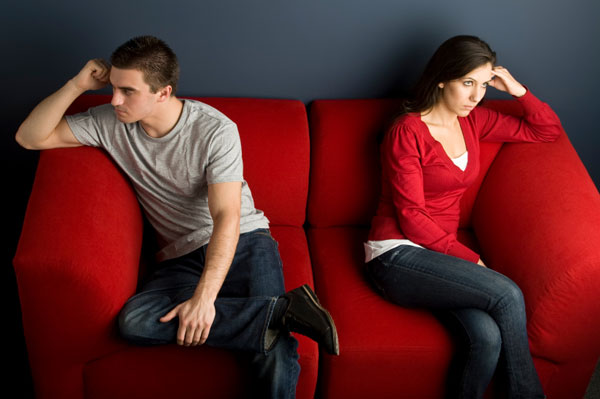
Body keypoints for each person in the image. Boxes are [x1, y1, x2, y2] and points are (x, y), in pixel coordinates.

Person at [15, 35, 338, 399]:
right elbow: (29, 137)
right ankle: (282, 312)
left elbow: (227, 216)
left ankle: (272, 319)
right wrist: (77, 84)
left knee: (273, 351)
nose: (114, 99)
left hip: (244, 242)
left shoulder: (215, 130)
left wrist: (204, 300)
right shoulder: (111, 122)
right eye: (113, 87)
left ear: (163, 93)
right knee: (135, 320)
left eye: (127, 91)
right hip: (179, 259)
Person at [365, 35, 562, 399]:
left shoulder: (474, 122)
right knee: (507, 294)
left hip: (438, 257)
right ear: (442, 78)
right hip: (396, 254)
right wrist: (471, 260)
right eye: (467, 83)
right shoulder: (407, 131)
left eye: (484, 85)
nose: (476, 96)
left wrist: (518, 91)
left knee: (486, 339)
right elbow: (411, 217)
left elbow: (546, 130)